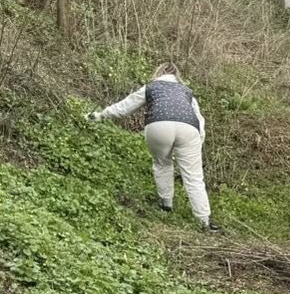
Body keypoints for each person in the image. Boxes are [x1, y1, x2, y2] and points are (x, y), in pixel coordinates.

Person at [89, 62, 216, 230]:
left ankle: (166, 204)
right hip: (189, 128)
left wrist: (101, 115)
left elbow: (125, 107)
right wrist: (199, 140)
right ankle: (204, 221)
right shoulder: (187, 92)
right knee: (194, 176)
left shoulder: (151, 87)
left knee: (162, 164)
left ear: (158, 73)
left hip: (158, 125)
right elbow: (200, 119)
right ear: (177, 76)